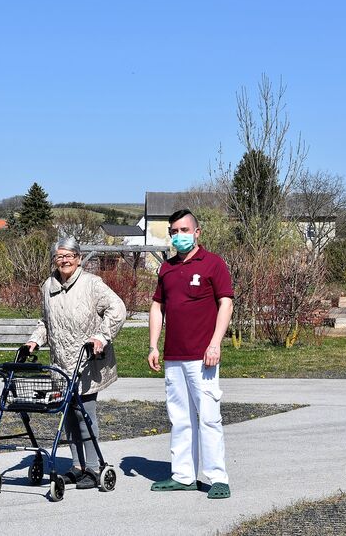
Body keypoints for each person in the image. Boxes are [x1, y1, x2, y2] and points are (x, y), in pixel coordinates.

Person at [25, 236, 126, 490]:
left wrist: (102, 336)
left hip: (87, 360)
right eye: (59, 256)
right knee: (67, 416)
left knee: (85, 414)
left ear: (79, 258)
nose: (65, 260)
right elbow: (45, 322)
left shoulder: (92, 284)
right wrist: (34, 341)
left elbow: (118, 308)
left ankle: (93, 466)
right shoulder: (48, 286)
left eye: (69, 255)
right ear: (54, 260)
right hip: (60, 361)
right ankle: (77, 466)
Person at [148, 209, 234, 499]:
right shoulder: (167, 268)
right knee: (180, 418)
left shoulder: (213, 264)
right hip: (174, 357)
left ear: (198, 232)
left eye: (185, 230)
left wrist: (215, 343)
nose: (179, 236)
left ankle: (217, 477)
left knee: (209, 416)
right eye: (174, 231)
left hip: (203, 356)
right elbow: (157, 307)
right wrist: (153, 345)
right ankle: (184, 475)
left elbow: (226, 303)